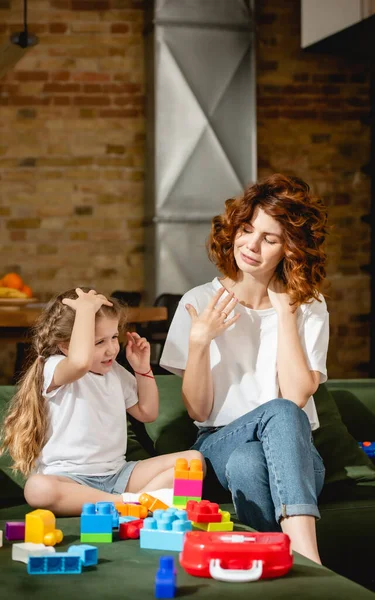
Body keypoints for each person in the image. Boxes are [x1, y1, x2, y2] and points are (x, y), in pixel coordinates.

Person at [160, 173, 329, 564]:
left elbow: (297, 394)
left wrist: (287, 313)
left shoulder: (309, 306)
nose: (250, 245)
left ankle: (272, 567)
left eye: (269, 239)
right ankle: (310, 559)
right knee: (262, 433)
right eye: (247, 229)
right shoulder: (199, 300)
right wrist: (200, 341)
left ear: (291, 250)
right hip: (219, 441)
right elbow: (198, 412)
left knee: (250, 461)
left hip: (296, 452)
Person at [1, 287, 204, 516]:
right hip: (70, 481)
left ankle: (131, 503)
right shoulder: (54, 367)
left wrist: (142, 369)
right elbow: (80, 363)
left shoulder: (115, 373)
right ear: (65, 346)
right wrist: (85, 310)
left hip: (118, 475)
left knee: (194, 461)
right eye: (99, 342)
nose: (112, 349)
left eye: (114, 337)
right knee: (38, 488)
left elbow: (147, 413)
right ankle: (130, 503)